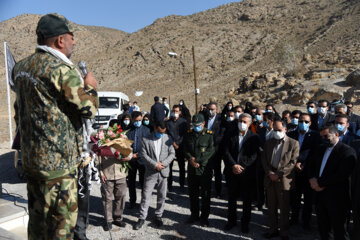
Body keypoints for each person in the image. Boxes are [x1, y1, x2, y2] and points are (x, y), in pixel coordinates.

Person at [12, 13, 99, 240]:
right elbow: (89, 109)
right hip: (59, 170)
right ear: (60, 40)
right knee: (61, 231)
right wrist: (90, 87)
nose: (74, 42)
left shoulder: (20, 69)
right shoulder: (61, 70)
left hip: (33, 165)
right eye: (71, 38)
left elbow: (18, 112)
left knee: (38, 228)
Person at [308, 124, 356, 240]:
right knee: (323, 229)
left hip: (337, 199)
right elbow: (311, 166)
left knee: (339, 231)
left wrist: (320, 183)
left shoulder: (347, 151)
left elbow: (341, 175)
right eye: (322, 137)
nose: (323, 139)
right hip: (320, 196)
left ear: (336, 134)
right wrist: (312, 180)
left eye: (326, 136)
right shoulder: (320, 149)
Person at [133, 121, 175, 230]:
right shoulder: (146, 139)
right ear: (155, 128)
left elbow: (172, 153)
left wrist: (164, 164)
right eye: (160, 132)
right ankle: (142, 217)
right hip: (151, 172)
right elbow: (143, 154)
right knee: (146, 195)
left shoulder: (168, 138)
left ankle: (158, 216)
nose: (161, 134)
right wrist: (155, 164)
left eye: (163, 132)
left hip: (163, 171)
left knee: (162, 195)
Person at [262, 119, 299, 240]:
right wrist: (270, 173)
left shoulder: (293, 143)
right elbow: (264, 160)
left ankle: (284, 232)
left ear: (285, 130)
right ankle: (272, 230)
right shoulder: (269, 143)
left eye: (279, 130)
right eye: (275, 130)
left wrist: (278, 174)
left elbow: (293, 163)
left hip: (283, 180)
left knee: (284, 208)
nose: (276, 132)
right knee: (271, 207)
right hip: (270, 179)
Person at [223, 113, 260, 233]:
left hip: (246, 173)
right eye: (240, 121)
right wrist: (233, 165)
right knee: (232, 198)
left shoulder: (254, 137)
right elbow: (226, 151)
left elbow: (254, 156)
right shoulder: (230, 134)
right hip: (232, 171)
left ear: (249, 124)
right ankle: (231, 221)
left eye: (244, 122)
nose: (242, 124)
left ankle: (245, 223)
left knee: (246, 200)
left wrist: (242, 166)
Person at [287, 113, 320, 229]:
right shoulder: (290, 134)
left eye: (306, 121)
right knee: (294, 197)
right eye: (301, 121)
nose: (303, 123)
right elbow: (287, 152)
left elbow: (315, 153)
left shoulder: (315, 136)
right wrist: (295, 163)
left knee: (308, 199)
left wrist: (304, 164)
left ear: (310, 123)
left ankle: (306, 221)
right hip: (294, 171)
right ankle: (294, 218)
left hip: (308, 172)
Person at [183, 114, 215, 226]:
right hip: (192, 170)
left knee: (205, 195)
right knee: (193, 194)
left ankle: (204, 217)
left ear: (203, 124)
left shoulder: (209, 135)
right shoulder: (189, 134)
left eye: (198, 125)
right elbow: (185, 148)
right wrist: (190, 159)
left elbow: (210, 150)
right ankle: (194, 215)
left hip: (204, 170)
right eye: (194, 125)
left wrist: (198, 161)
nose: (196, 127)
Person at [98, 148, 132, 231]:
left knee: (121, 197)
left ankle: (118, 218)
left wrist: (129, 157)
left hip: (121, 174)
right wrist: (100, 173)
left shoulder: (122, 137)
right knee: (107, 199)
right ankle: (108, 220)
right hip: (107, 174)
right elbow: (97, 158)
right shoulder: (103, 140)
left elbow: (130, 152)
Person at [126, 111, 150, 208]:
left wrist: (139, 155)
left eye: (140, 120)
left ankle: (143, 203)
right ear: (132, 120)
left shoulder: (146, 130)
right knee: (131, 182)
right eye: (136, 120)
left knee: (143, 183)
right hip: (131, 160)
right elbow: (125, 145)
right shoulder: (128, 131)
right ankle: (132, 201)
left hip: (142, 160)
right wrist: (131, 155)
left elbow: (148, 146)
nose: (138, 122)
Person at [166, 105, 188, 190]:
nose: (175, 113)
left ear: (180, 112)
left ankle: (182, 183)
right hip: (170, 146)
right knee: (169, 166)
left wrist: (178, 143)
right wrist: (173, 143)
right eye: (174, 111)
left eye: (177, 111)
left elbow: (184, 134)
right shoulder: (168, 122)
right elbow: (167, 134)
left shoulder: (183, 122)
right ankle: (169, 183)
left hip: (180, 147)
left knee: (181, 166)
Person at [256, 112, 275, 210]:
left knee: (270, 184)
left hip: (271, 162)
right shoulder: (261, 130)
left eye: (266, 120)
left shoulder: (276, 132)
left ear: (271, 121)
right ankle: (260, 202)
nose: (264, 121)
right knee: (260, 183)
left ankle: (269, 203)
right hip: (260, 161)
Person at [205, 102, 224, 197]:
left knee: (217, 172)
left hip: (216, 150)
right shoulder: (205, 118)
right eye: (209, 109)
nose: (211, 111)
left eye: (213, 109)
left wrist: (212, 142)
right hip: (206, 150)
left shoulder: (220, 119)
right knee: (207, 171)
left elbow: (221, 134)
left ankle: (218, 191)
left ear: (216, 110)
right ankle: (206, 190)